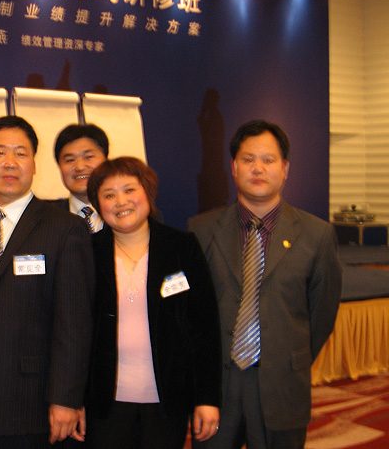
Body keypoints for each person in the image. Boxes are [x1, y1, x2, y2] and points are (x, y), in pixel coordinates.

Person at [188, 120, 342, 449]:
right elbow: (191, 312)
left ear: (285, 169)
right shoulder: (201, 230)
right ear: (234, 167)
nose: (258, 168)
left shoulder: (317, 235)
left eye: (268, 160)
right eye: (248, 159)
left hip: (282, 384)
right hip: (217, 385)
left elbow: (322, 314)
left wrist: (287, 357)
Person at [0, 116, 95, 448]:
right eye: (0, 152)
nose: (10, 162)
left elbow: (74, 324)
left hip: (30, 396)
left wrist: (66, 398)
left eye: (21, 153)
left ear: (34, 165)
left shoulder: (65, 228)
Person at [84, 157, 221, 449]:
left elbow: (205, 329)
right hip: (103, 402)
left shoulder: (182, 247)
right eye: (109, 195)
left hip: (168, 400)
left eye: (129, 190)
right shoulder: (87, 252)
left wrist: (207, 399)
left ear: (147, 193)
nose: (121, 201)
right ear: (98, 204)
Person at [52, 124, 110, 233]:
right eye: (70, 160)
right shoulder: (47, 220)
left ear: (106, 161)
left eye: (88, 157)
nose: (79, 167)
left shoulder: (125, 212)